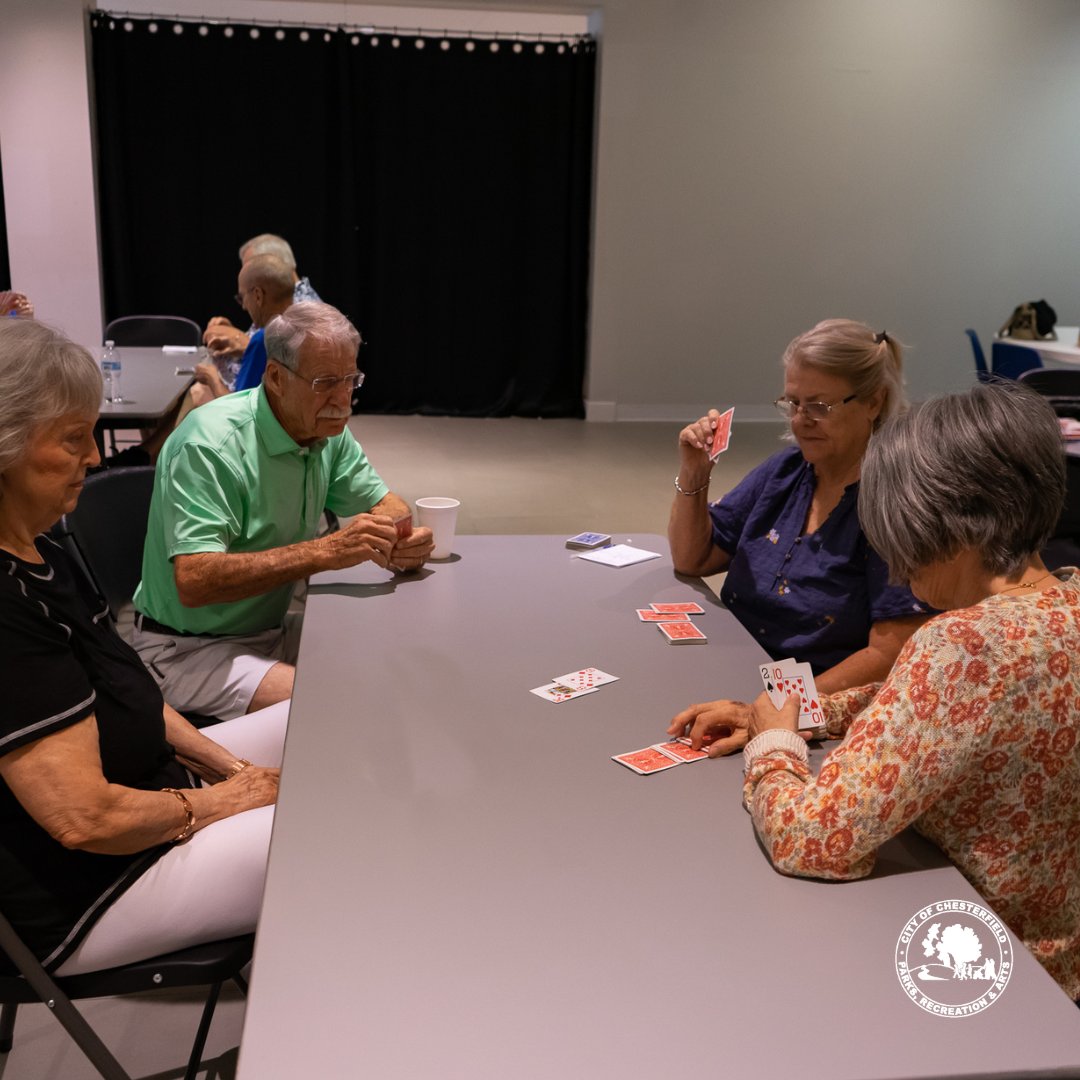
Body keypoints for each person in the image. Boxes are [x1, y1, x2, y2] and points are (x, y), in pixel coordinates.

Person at [743, 381, 1080, 999]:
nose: (896, 563)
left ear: (951, 523)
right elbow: (938, 713)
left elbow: (811, 839)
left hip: (975, 964)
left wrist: (772, 747)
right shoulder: (1065, 600)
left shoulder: (963, 644)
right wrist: (801, 713)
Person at [0, 318, 285, 977]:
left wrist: (230, 768)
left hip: (152, 802)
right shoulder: (7, 610)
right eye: (73, 439)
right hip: (93, 887)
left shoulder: (43, 548)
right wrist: (223, 801)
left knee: (318, 725)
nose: (95, 457)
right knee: (331, 827)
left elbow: (130, 692)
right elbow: (84, 821)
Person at [131, 301, 434, 721]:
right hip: (186, 649)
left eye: (351, 380)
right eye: (326, 382)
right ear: (275, 377)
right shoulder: (211, 446)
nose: (343, 399)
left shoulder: (323, 431)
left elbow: (387, 503)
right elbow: (195, 581)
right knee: (337, 703)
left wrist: (401, 537)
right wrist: (327, 551)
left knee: (398, 658)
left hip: (267, 632)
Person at [667, 319, 930, 756]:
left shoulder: (891, 503)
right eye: (793, 403)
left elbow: (891, 654)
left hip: (810, 714)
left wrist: (769, 710)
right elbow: (693, 559)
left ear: (873, 401)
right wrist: (695, 473)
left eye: (819, 406)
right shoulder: (786, 471)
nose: (800, 421)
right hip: (730, 672)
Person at [188, 253, 295, 409]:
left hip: (255, 423)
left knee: (197, 395)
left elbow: (240, 408)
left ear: (258, 295)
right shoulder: (304, 327)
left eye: (242, 297)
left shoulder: (263, 340)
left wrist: (211, 377)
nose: (244, 306)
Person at [203, 233, 320, 360]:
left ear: (273, 264)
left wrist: (242, 340)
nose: (244, 275)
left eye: (251, 267)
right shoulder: (274, 302)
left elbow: (291, 363)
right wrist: (230, 337)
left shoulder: (306, 310)